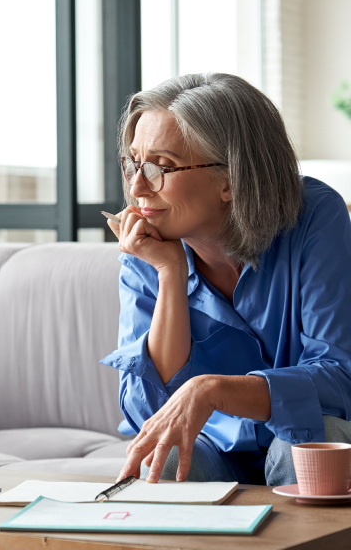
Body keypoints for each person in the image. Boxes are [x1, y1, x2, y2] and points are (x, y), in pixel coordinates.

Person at [100, 72, 351, 487]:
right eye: (134, 163)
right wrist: (170, 274)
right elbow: (148, 411)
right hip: (215, 446)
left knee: (303, 444)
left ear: (230, 179)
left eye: (162, 166)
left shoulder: (315, 217)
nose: (139, 187)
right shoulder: (148, 246)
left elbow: (340, 377)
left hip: (305, 434)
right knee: (162, 461)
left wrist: (213, 390)